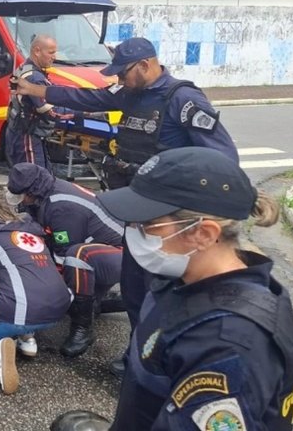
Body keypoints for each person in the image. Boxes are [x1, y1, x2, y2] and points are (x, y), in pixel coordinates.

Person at [14, 37, 239, 374]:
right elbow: (87, 97)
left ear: (145, 65)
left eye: (123, 73)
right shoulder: (130, 92)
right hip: (136, 212)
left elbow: (223, 158)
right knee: (135, 289)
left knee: (166, 292)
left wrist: (190, 196)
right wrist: (37, 91)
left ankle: (166, 363)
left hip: (171, 220)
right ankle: (139, 354)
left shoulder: (183, 100)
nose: (118, 80)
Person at [91, 147, 293, 430]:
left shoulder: (228, 345)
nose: (134, 232)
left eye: (147, 224)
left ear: (203, 234)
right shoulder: (180, 278)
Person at [6, 163, 123, 357]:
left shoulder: (61, 207)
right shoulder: (45, 192)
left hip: (122, 253)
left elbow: (62, 259)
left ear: (32, 191)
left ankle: (82, 330)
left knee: (76, 257)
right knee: (72, 262)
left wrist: (44, 294)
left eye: (22, 196)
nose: (22, 201)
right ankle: (97, 302)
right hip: (101, 248)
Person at [0, 201, 73, 395]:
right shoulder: (34, 233)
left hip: (20, 308)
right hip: (58, 308)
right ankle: (27, 339)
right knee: (25, 286)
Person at [4, 35, 74, 170]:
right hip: (27, 136)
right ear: (37, 51)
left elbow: (52, 89)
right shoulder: (34, 78)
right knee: (34, 180)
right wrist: (85, 112)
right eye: (51, 52)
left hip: (24, 133)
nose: (54, 56)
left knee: (39, 177)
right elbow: (52, 112)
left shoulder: (27, 69)